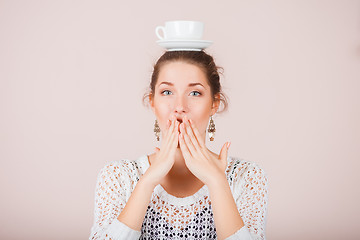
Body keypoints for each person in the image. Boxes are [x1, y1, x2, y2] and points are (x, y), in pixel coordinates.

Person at [89, 50, 268, 240]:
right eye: (167, 92)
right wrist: (147, 182)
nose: (179, 106)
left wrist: (217, 182)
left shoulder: (246, 176)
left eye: (194, 93)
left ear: (214, 103)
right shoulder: (118, 176)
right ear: (152, 102)